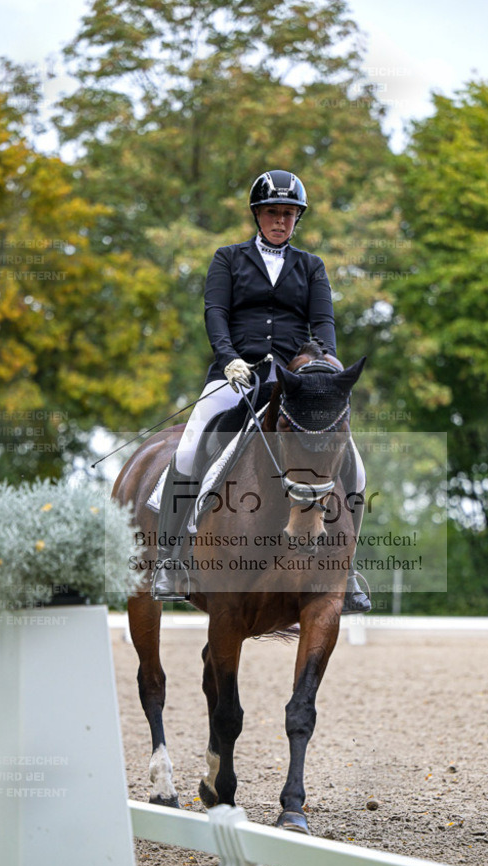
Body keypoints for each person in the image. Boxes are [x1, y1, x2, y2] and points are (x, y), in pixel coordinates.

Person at [152, 169, 370, 613]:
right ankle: (170, 561)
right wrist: (228, 356)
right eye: (273, 212)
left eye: (289, 214)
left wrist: (324, 364)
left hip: (294, 382)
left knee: (357, 470)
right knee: (190, 449)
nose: (281, 221)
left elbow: (323, 324)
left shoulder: (311, 266)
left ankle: (346, 573)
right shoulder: (228, 259)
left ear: (297, 219)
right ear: (257, 214)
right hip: (236, 375)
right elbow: (215, 312)